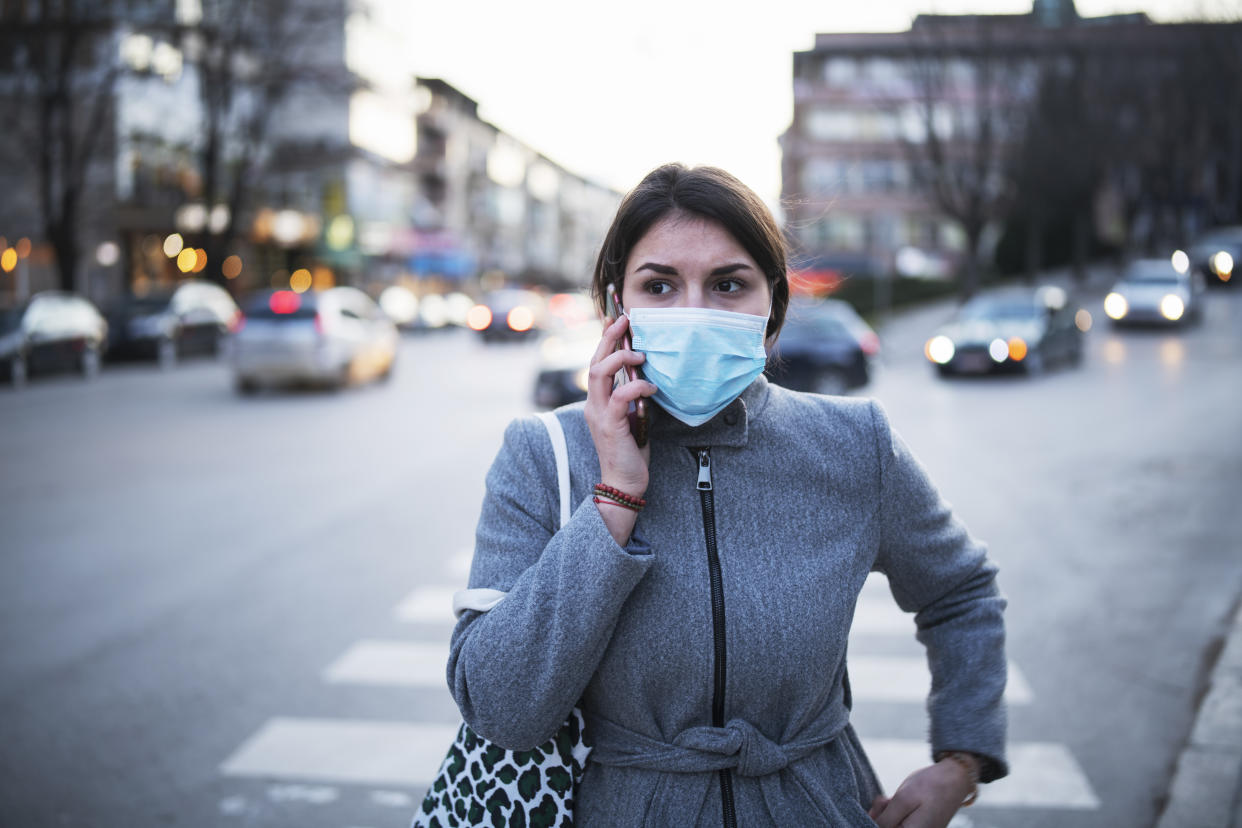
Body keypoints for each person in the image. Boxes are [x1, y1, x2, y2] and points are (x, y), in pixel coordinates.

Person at [448, 163, 1008, 827]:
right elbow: (500, 707)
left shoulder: (854, 443)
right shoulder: (542, 455)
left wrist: (962, 760)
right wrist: (614, 500)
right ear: (617, 306)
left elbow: (961, 591)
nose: (695, 312)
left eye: (727, 284)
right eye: (660, 285)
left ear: (772, 304)